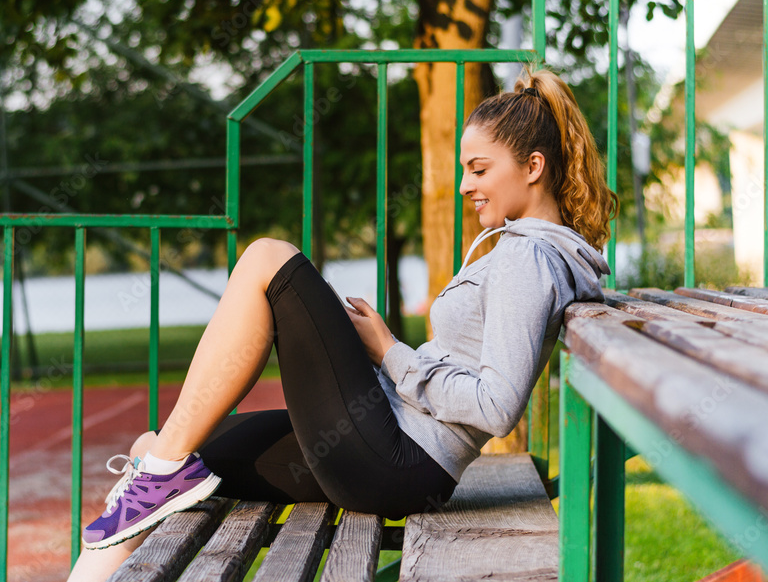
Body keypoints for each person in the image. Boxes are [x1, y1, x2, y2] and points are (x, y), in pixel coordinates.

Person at [67, 68, 617, 581]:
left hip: (396, 457)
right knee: (160, 448)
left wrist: (388, 352)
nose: (465, 186)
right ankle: (142, 496)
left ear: (534, 167)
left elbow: (498, 407)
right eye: (463, 171)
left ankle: (158, 475)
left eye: (478, 170)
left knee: (266, 257)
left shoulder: (527, 258)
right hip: (378, 442)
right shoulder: (528, 252)